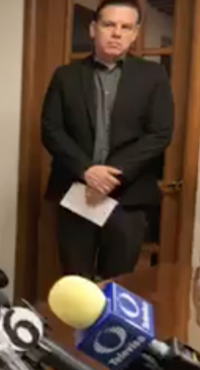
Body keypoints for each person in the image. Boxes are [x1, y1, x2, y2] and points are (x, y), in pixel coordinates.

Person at [41, 0, 173, 280]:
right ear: (93, 29)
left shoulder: (154, 76)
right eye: (109, 24)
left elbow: (159, 133)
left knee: (118, 284)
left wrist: (114, 174)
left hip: (129, 198)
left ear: (135, 34)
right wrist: (87, 171)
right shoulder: (66, 76)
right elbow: (51, 129)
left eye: (126, 27)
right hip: (77, 193)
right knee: (76, 284)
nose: (117, 33)